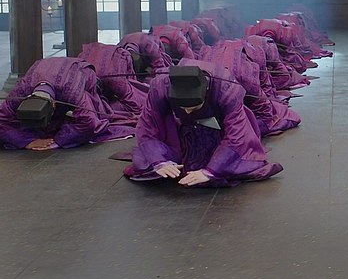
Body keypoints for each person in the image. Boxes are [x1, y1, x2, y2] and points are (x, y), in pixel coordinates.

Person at [123, 64, 283, 187]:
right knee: (147, 160)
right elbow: (147, 126)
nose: (187, 111)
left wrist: (211, 171)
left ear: (206, 93)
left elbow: (236, 135)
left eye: (193, 107)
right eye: (183, 107)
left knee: (238, 159)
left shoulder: (227, 91)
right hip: (181, 127)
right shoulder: (160, 87)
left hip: (218, 122)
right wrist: (159, 161)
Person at [0, 57, 135, 150]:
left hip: (79, 71)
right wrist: (28, 142)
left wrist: (58, 141)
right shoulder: (22, 89)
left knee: (97, 113)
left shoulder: (72, 89)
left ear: (54, 104)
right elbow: (1, 119)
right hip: (45, 70)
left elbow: (89, 123)